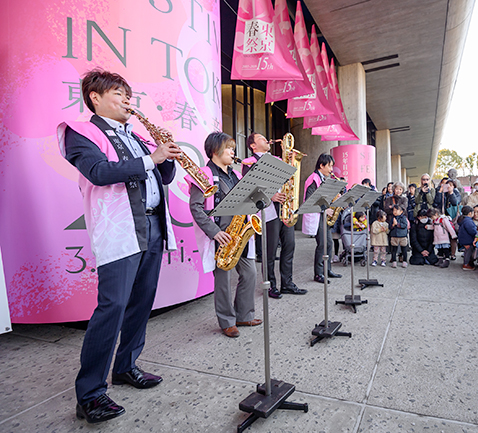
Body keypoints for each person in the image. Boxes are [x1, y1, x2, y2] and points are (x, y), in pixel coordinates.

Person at [60, 69, 180, 423]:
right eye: (119, 94)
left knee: (142, 302)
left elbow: (164, 176)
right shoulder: (79, 133)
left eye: (128, 95)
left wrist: (167, 156)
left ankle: (126, 366)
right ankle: (91, 393)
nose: (128, 101)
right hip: (120, 230)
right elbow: (98, 172)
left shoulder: (139, 137)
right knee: (112, 307)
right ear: (95, 98)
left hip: (152, 225)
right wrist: (151, 159)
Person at [189, 132, 259, 339]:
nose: (232, 151)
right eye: (228, 147)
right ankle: (227, 321)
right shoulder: (202, 174)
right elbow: (196, 207)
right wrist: (215, 232)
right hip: (221, 235)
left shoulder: (237, 175)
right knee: (223, 281)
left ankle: (244, 315)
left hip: (240, 232)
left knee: (250, 274)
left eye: (232, 148)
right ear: (214, 151)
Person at [241, 132, 305, 299]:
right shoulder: (249, 163)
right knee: (269, 251)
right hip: (268, 210)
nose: (266, 139)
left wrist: (290, 161)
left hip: (285, 208)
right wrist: (270, 196)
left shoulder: (277, 159)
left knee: (289, 245)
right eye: (261, 138)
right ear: (253, 146)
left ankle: (287, 283)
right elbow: (249, 189)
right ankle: (271, 285)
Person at [304, 154, 343, 283]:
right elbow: (310, 200)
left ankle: (328, 270)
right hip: (317, 215)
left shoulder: (323, 178)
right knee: (322, 244)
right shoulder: (313, 179)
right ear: (322, 165)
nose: (332, 169)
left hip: (323, 215)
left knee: (329, 243)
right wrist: (324, 209)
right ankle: (318, 273)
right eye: (330, 166)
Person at [458, 205, 478, 270]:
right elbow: (472, 231)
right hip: (468, 239)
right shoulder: (468, 221)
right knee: (468, 252)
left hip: (463, 239)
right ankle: (466, 264)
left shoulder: (462, 219)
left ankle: (466, 263)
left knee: (467, 252)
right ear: (470, 213)